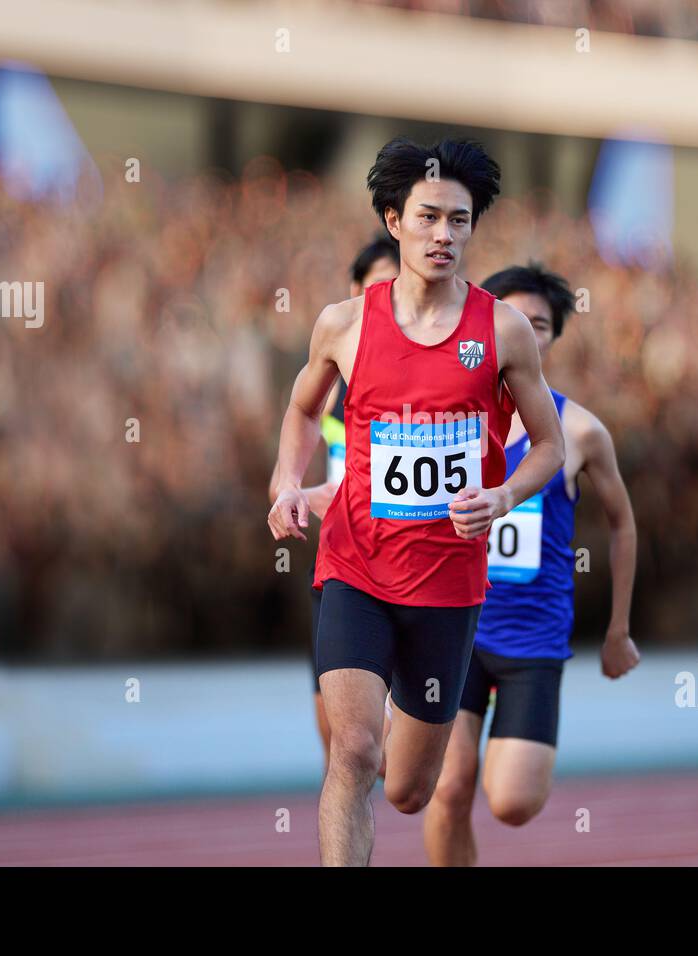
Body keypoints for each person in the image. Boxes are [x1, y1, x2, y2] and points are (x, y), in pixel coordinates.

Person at [267, 138, 564, 866]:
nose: (444, 235)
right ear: (394, 221)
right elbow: (305, 410)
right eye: (429, 218)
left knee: (408, 788)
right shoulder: (346, 323)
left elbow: (550, 447)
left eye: (459, 222)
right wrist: (285, 480)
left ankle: (413, 728)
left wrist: (502, 495)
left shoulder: (501, 330)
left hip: (448, 585)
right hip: (355, 568)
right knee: (354, 752)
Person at [422, 262, 641, 867]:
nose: (523, 330)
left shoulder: (580, 430)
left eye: (538, 323)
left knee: (511, 802)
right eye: (511, 316)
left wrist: (618, 629)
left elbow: (623, 523)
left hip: (532, 642)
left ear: (550, 337)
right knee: (447, 786)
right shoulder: (449, 420)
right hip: (453, 632)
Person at [268, 232, 400, 774]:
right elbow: (285, 478)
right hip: (341, 566)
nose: (389, 301)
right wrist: (293, 494)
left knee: (401, 762)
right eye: (377, 288)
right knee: (342, 747)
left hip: (411, 567)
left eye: (400, 288)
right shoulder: (330, 383)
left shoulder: (429, 378)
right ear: (354, 291)